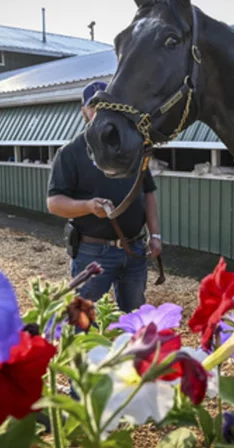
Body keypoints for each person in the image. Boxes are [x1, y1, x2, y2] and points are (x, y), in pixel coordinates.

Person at [46, 81, 162, 314]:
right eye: (94, 107)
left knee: (134, 318)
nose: (101, 113)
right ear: (84, 112)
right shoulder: (70, 152)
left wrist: (155, 235)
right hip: (92, 251)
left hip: (135, 249)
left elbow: (147, 192)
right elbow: (54, 203)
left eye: (107, 106)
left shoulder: (133, 146)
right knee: (81, 321)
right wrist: (88, 206)